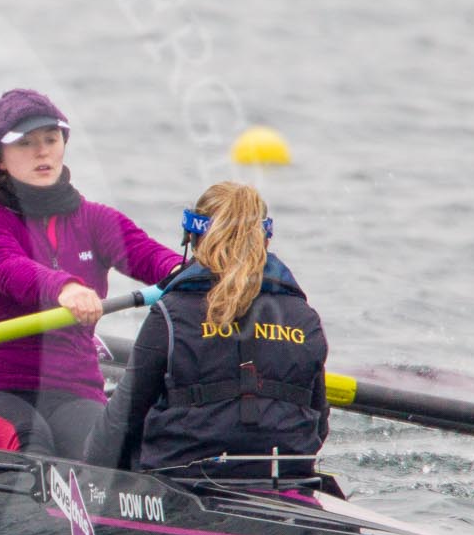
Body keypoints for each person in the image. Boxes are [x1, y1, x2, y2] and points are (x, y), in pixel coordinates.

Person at [0, 89, 184, 456]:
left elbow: (159, 261)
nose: (42, 151)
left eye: (50, 139)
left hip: (74, 390)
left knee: (109, 453)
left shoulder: (97, 220)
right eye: (25, 143)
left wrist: (211, 275)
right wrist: (66, 288)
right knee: (32, 442)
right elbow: (13, 270)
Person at [85, 182, 330, 479]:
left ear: (194, 239)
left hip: (183, 482)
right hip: (285, 477)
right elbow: (319, 427)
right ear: (265, 242)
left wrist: (90, 483)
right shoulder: (305, 318)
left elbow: (117, 426)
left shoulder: (171, 314)